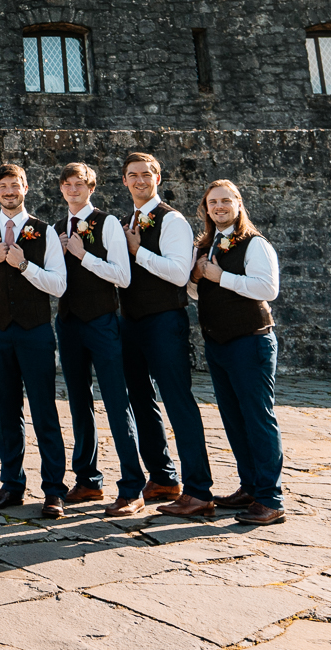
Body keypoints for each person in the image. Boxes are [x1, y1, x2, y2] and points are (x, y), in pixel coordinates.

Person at [0, 163, 70, 519]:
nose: (10, 192)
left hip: (35, 330)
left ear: (26, 188)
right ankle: (11, 484)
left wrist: (25, 266)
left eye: (15, 185)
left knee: (44, 410)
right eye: (3, 186)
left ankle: (54, 490)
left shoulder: (45, 232)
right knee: (6, 410)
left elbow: (59, 285)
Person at [115, 152, 216, 518]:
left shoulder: (172, 221)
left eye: (146, 174)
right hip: (131, 321)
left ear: (158, 177)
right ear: (124, 181)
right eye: (132, 175)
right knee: (140, 401)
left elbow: (177, 274)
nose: (140, 181)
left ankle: (199, 489)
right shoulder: (125, 221)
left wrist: (137, 250)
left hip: (164, 321)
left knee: (177, 401)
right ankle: (162, 477)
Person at [55, 162, 149, 517]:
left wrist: (83, 255)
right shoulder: (54, 228)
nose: (73, 189)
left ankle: (132, 488)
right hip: (68, 323)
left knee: (115, 400)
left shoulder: (108, 223)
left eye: (80, 184)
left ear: (91, 188)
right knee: (79, 402)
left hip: (103, 322)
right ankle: (88, 480)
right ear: (61, 189)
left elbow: (122, 277)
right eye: (67, 184)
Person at [193, 179, 285, 525]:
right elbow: (199, 293)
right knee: (234, 419)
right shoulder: (206, 244)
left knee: (259, 419)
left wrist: (220, 277)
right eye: (212, 202)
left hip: (250, 341)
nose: (218, 207)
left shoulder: (255, 244)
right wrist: (196, 277)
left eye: (225, 201)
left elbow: (267, 288)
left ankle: (271, 499)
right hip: (219, 343)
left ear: (238, 203)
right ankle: (250, 486)